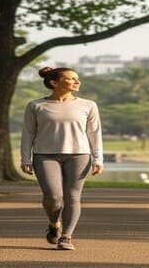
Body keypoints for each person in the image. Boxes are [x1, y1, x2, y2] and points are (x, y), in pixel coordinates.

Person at [21, 67, 103, 251]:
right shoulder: (36, 106)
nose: (77, 82)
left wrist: (98, 159)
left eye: (78, 78)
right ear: (54, 83)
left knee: (73, 197)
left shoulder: (88, 105)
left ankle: (66, 237)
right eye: (72, 79)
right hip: (45, 155)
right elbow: (28, 134)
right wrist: (25, 158)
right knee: (54, 197)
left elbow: (94, 134)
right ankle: (54, 224)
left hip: (79, 155)